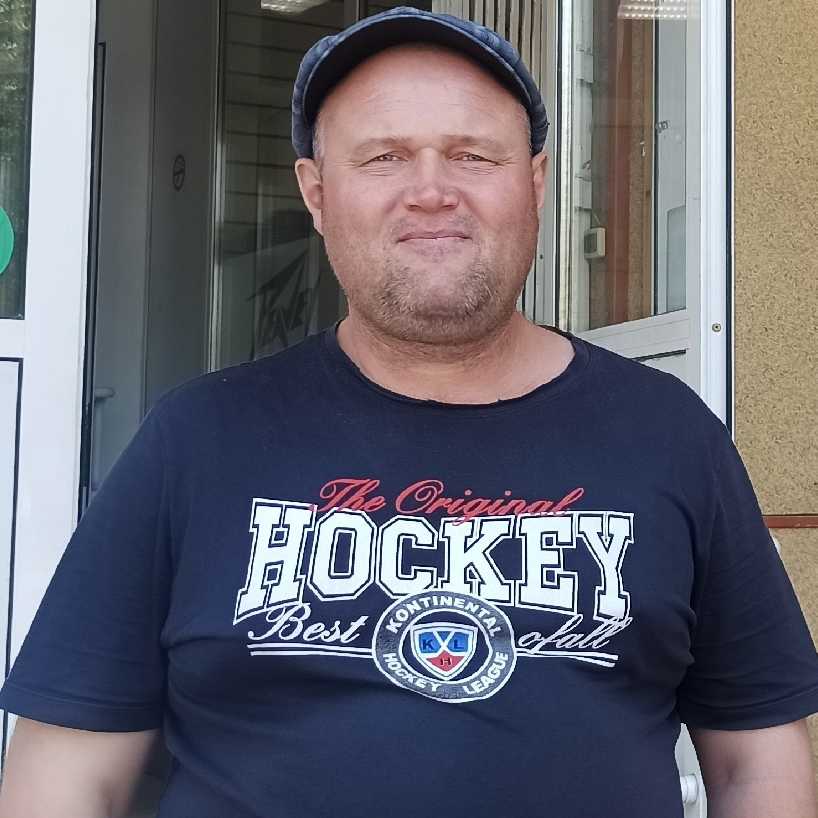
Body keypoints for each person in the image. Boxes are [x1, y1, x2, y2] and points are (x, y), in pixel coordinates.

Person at [1, 7, 818, 818]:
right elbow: (66, 773)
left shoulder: (670, 436)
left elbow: (757, 758)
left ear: (535, 185)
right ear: (317, 193)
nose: (431, 192)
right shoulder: (193, 441)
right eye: (384, 157)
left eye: (473, 155)